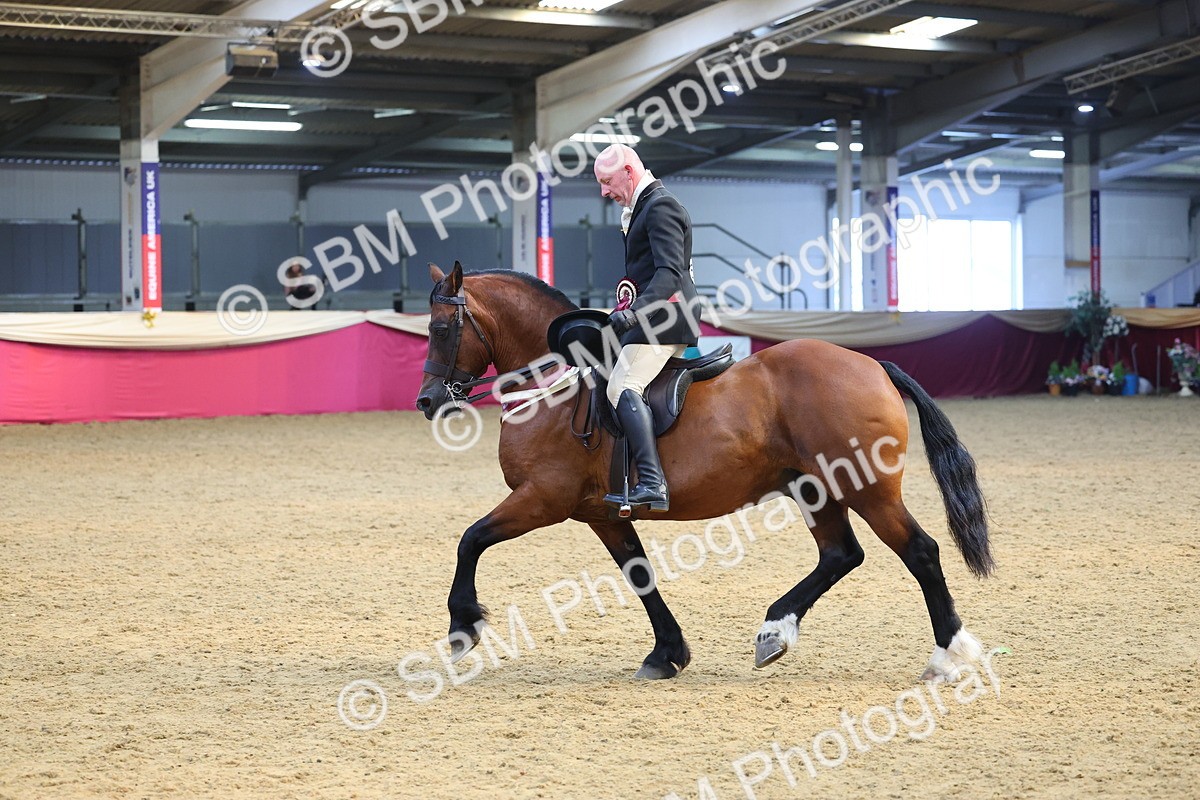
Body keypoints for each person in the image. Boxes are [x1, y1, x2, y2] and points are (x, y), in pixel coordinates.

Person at [593, 144, 702, 512]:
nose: (604, 192)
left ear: (627, 171)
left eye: (607, 182)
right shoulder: (641, 207)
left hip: (667, 317)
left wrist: (635, 312)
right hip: (655, 316)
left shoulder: (661, 205)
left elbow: (669, 274)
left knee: (622, 384)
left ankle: (653, 484)